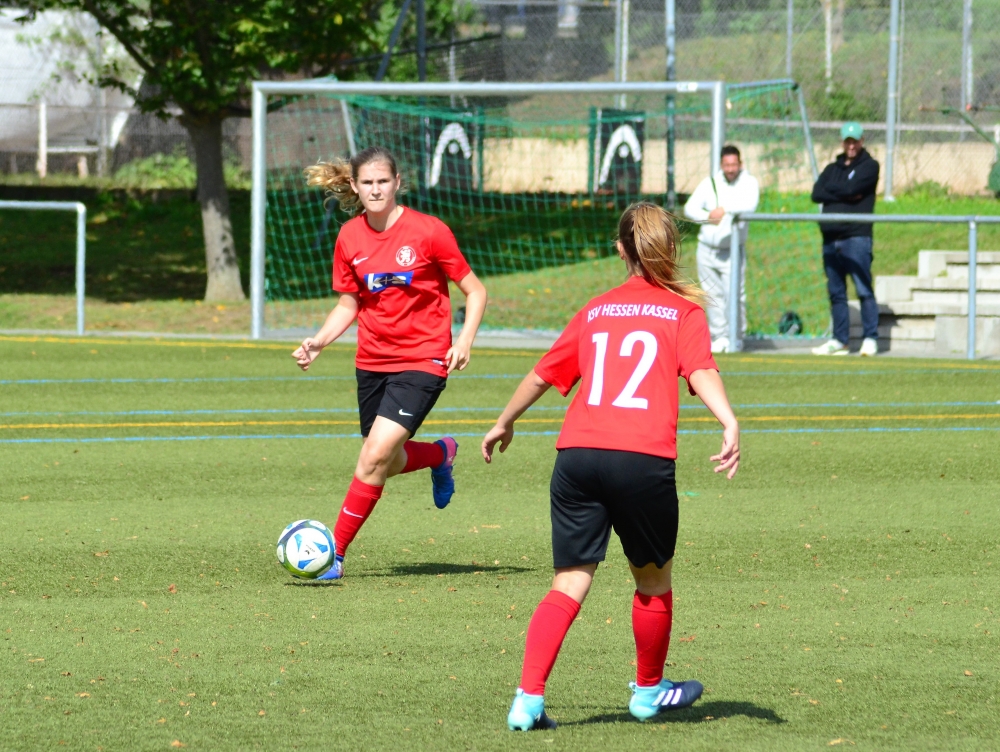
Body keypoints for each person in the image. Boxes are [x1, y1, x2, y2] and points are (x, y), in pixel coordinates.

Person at [481, 202, 740, 730]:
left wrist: (504, 421)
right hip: (641, 458)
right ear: (670, 249)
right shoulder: (683, 312)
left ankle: (527, 700)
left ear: (621, 250)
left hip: (577, 457)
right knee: (653, 580)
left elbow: (543, 373)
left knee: (568, 582)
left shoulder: (596, 310)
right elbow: (700, 370)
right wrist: (728, 420)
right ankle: (648, 692)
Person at [292, 146, 488, 580]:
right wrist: (319, 341)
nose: (376, 189)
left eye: (383, 181)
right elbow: (349, 303)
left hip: (424, 358)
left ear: (397, 182)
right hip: (372, 361)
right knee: (385, 460)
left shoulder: (429, 231)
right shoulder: (349, 237)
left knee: (374, 457)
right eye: (368, 183)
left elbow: (475, 290)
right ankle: (440, 454)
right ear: (355, 186)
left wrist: (465, 340)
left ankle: (334, 555)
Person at [810, 122, 881, 356]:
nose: (851, 146)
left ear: (862, 141)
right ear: (842, 142)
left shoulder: (870, 166)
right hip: (831, 238)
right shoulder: (832, 168)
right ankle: (840, 340)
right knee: (836, 292)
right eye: (848, 141)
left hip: (856, 237)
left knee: (863, 289)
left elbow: (854, 189)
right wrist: (846, 191)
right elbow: (817, 193)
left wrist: (838, 191)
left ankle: (870, 337)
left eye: (855, 141)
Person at [683, 144, 760, 353]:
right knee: (712, 294)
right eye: (727, 165)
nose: (730, 169)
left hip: (732, 251)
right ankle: (719, 336)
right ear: (721, 164)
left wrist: (724, 210)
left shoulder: (749, 182)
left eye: (734, 165)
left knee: (734, 295)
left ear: (740, 164)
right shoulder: (710, 183)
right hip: (707, 249)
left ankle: (736, 336)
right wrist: (708, 216)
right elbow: (690, 208)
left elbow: (750, 205)